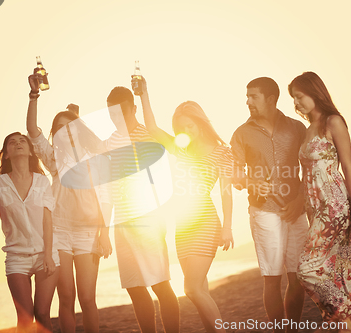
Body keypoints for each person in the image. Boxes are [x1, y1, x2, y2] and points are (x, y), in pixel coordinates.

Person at [136, 77, 234, 333]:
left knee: (190, 288)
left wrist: (227, 227)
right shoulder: (182, 149)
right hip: (184, 223)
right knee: (201, 288)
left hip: (206, 221)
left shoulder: (222, 152)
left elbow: (226, 192)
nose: (187, 132)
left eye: (190, 126)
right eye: (182, 128)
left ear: (200, 122)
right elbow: (153, 128)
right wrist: (143, 94)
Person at [26, 71, 113, 333]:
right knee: (66, 298)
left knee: (87, 298)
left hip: (89, 233)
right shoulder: (53, 159)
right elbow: (32, 131)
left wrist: (105, 232)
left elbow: (106, 198)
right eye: (59, 128)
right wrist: (34, 95)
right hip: (60, 233)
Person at [288, 72, 351, 331]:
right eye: (294, 99)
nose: (296, 103)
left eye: (299, 97)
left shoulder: (333, 122)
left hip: (333, 205)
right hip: (315, 207)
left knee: (307, 269)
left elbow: (348, 167)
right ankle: (348, 326)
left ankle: (343, 317)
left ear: (315, 93)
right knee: (336, 271)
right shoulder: (308, 128)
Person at [231, 77, 309, 333]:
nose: (248, 101)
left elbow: (310, 168)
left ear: (271, 99)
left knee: (298, 278)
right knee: (272, 278)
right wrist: (251, 181)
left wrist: (300, 200)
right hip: (264, 212)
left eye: (253, 96)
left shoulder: (297, 128)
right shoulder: (242, 133)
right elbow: (234, 175)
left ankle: (292, 330)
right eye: (247, 96)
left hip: (295, 211)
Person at [100, 86, 180, 333]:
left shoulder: (146, 134)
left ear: (133, 109)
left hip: (147, 220)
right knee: (135, 287)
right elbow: (106, 187)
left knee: (160, 284)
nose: (117, 118)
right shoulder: (108, 142)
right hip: (121, 222)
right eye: (112, 114)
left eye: (122, 112)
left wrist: (144, 94)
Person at [0, 132, 59, 333]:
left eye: (22, 141)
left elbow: (47, 221)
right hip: (16, 257)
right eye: (12, 142)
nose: (18, 144)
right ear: (5, 154)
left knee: (42, 314)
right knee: (25, 318)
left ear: (30, 151)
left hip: (46, 253)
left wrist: (49, 255)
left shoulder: (42, 182)